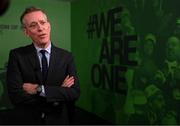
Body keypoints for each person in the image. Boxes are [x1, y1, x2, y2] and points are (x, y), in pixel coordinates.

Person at [6, 6, 80, 124]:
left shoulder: (67, 57)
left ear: (49, 26)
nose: (40, 28)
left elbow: (74, 93)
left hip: (59, 120)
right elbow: (16, 96)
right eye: (33, 25)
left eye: (42, 23)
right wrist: (58, 94)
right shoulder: (16, 55)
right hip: (28, 120)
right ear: (26, 32)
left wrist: (39, 89)